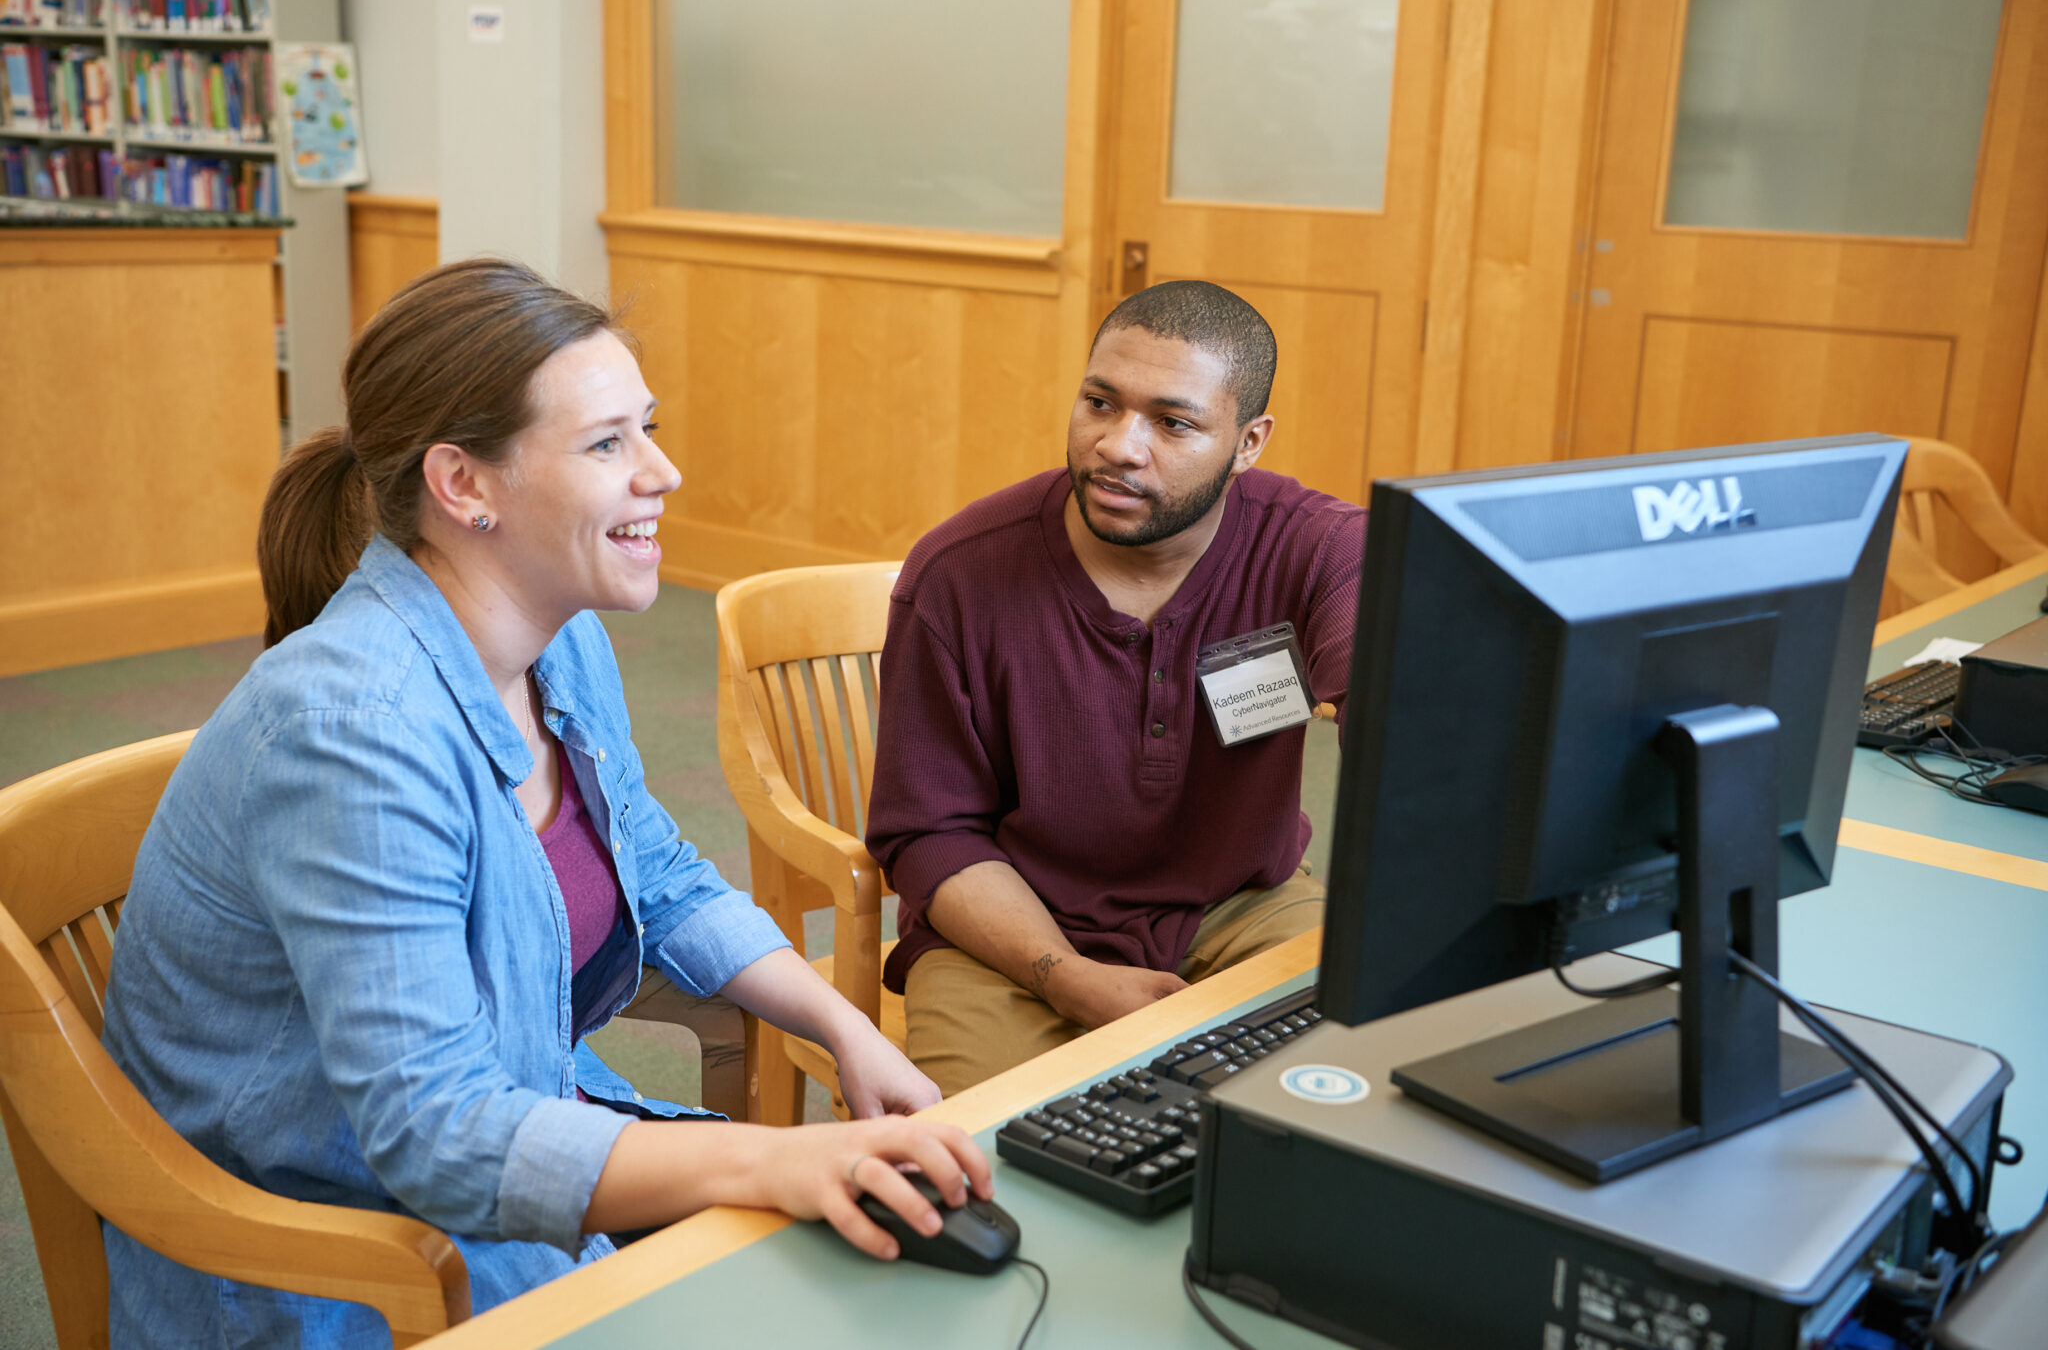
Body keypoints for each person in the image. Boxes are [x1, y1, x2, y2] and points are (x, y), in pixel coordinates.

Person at [97, 258, 989, 1348]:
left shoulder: (562, 639)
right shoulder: (355, 732)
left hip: (493, 1153)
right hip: (338, 1257)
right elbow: (434, 1130)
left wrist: (844, 1026)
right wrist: (773, 1157)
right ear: (464, 486)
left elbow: (658, 875)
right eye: (607, 442)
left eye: (646, 427)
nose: (661, 470)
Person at [864, 280, 1367, 1097]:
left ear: (1248, 442)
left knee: (1355, 1088)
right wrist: (1066, 975)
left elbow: (1406, 712)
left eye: (1173, 422)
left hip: (1239, 903)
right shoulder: (958, 575)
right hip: (1012, 929)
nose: (1120, 446)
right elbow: (929, 834)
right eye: (1100, 402)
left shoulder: (1316, 549)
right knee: (988, 1164)